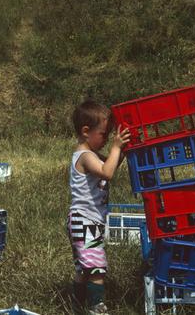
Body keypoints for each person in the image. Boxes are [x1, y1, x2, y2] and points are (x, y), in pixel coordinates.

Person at [67, 100, 131, 315]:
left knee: (84, 269)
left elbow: (111, 164)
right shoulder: (85, 156)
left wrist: (122, 150)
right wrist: (116, 147)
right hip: (84, 221)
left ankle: (76, 305)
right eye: (104, 134)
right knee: (96, 268)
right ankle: (97, 309)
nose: (106, 140)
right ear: (86, 131)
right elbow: (107, 172)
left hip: (86, 221)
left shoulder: (91, 155)